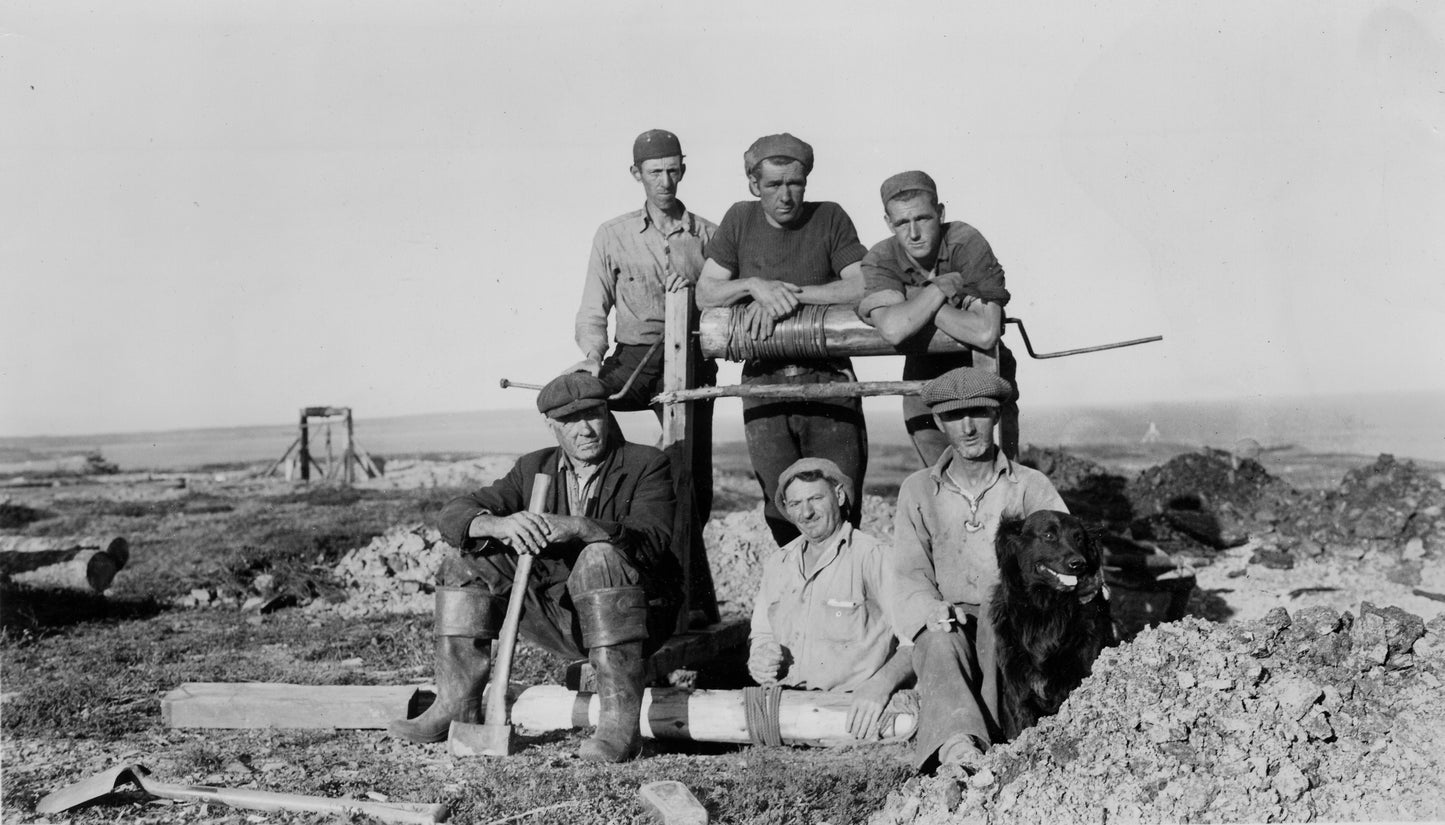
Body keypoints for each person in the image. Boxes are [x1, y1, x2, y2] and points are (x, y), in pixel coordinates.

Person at [389, 372, 681, 763]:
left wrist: (580, 527)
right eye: (569, 421)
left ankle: (617, 726)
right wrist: (498, 524)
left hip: (633, 622)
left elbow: (651, 540)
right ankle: (456, 707)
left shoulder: (647, 464)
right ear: (551, 425)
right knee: (463, 564)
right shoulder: (532, 468)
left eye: (593, 414)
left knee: (600, 555)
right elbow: (454, 514)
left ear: (607, 413)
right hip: (559, 618)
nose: (585, 429)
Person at [696, 132, 869, 546]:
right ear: (754, 185)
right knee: (782, 507)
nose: (786, 195)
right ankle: (797, 599)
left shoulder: (830, 217)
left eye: (796, 183)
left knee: (840, 500)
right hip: (764, 384)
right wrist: (754, 285)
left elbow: (864, 284)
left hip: (828, 380)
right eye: (774, 185)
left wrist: (787, 296)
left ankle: (842, 600)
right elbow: (707, 293)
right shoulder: (740, 219)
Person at [890, 367, 1066, 773]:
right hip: (950, 621)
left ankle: (1001, 738)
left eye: (978, 414)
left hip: (1014, 626)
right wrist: (929, 607)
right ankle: (959, 748)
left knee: (994, 614)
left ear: (996, 416)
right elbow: (908, 572)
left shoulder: (1028, 486)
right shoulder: (917, 490)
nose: (967, 428)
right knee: (936, 640)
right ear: (937, 421)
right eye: (954, 416)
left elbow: (1064, 556)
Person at [570, 128, 720, 523]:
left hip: (692, 356)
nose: (664, 182)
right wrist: (591, 355)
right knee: (585, 402)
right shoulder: (613, 235)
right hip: (634, 357)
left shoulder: (710, 235)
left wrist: (699, 284)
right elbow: (592, 307)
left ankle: (687, 554)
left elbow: (728, 302)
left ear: (683, 170)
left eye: (672, 171)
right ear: (636, 173)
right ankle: (627, 486)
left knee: (691, 468)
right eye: (654, 172)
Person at [857, 171, 1018, 465]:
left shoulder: (965, 242)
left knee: (998, 475)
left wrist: (914, 300)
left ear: (940, 213)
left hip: (983, 366)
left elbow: (985, 333)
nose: (914, 233)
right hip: (924, 376)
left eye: (923, 218)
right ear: (887, 223)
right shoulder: (881, 257)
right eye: (902, 223)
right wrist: (939, 290)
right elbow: (893, 330)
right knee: (940, 479)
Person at [748, 458, 914, 740]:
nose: (807, 512)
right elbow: (762, 634)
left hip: (852, 716)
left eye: (815, 498)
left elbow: (914, 642)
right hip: (783, 714)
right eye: (796, 504)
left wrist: (880, 686)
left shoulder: (874, 557)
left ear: (838, 496)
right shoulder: (778, 563)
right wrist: (759, 658)